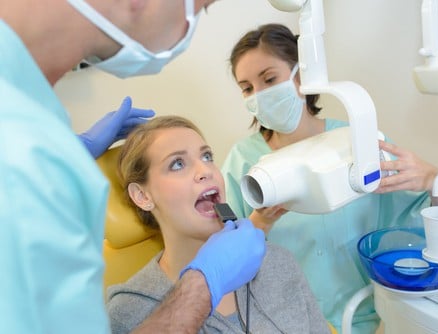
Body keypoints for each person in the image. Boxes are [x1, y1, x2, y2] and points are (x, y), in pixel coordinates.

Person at [0, 1, 265, 333]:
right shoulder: (21, 148)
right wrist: (201, 286)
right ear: (141, 195)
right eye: (200, 7)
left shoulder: (28, 120)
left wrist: (70, 152)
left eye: (208, 156)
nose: (187, 27)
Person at [221, 23, 438, 334]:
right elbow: (226, 263)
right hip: (281, 323)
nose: (259, 96)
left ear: (303, 75)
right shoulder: (243, 161)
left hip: (363, 320)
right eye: (247, 88)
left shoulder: (356, 142)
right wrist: (261, 221)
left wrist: (433, 178)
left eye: (269, 79)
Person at [108, 115, 330, 334]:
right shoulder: (128, 313)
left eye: (207, 157)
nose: (206, 171)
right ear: (142, 196)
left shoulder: (277, 263)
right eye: (177, 164)